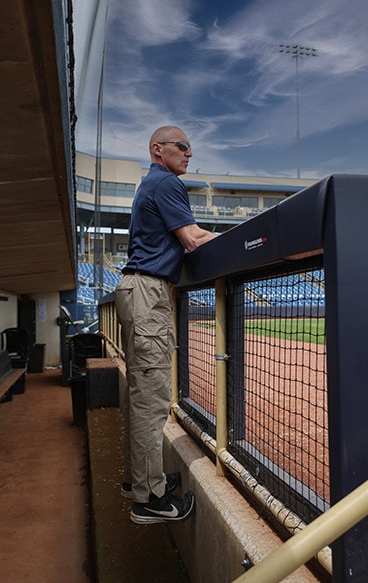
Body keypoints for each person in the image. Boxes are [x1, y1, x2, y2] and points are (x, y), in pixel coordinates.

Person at [115, 126, 216, 525]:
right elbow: (192, 239)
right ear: (159, 150)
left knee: (143, 396)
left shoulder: (151, 184)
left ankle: (139, 481)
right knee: (152, 402)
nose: (189, 153)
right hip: (148, 293)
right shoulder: (167, 183)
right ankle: (150, 500)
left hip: (138, 290)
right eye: (183, 146)